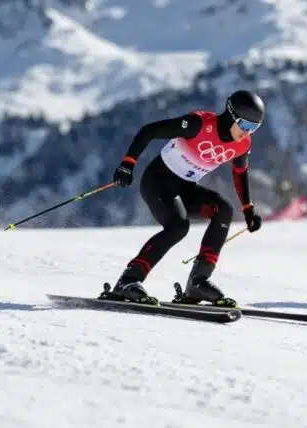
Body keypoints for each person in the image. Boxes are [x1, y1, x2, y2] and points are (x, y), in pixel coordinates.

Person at [104, 90, 266, 306]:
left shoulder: (242, 144)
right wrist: (128, 163)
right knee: (178, 227)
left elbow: (240, 173)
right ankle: (128, 281)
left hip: (185, 187)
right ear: (231, 115)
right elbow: (149, 130)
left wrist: (248, 208)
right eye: (245, 125)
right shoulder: (198, 124)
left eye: (254, 128)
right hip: (157, 182)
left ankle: (198, 283)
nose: (248, 133)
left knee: (223, 210)